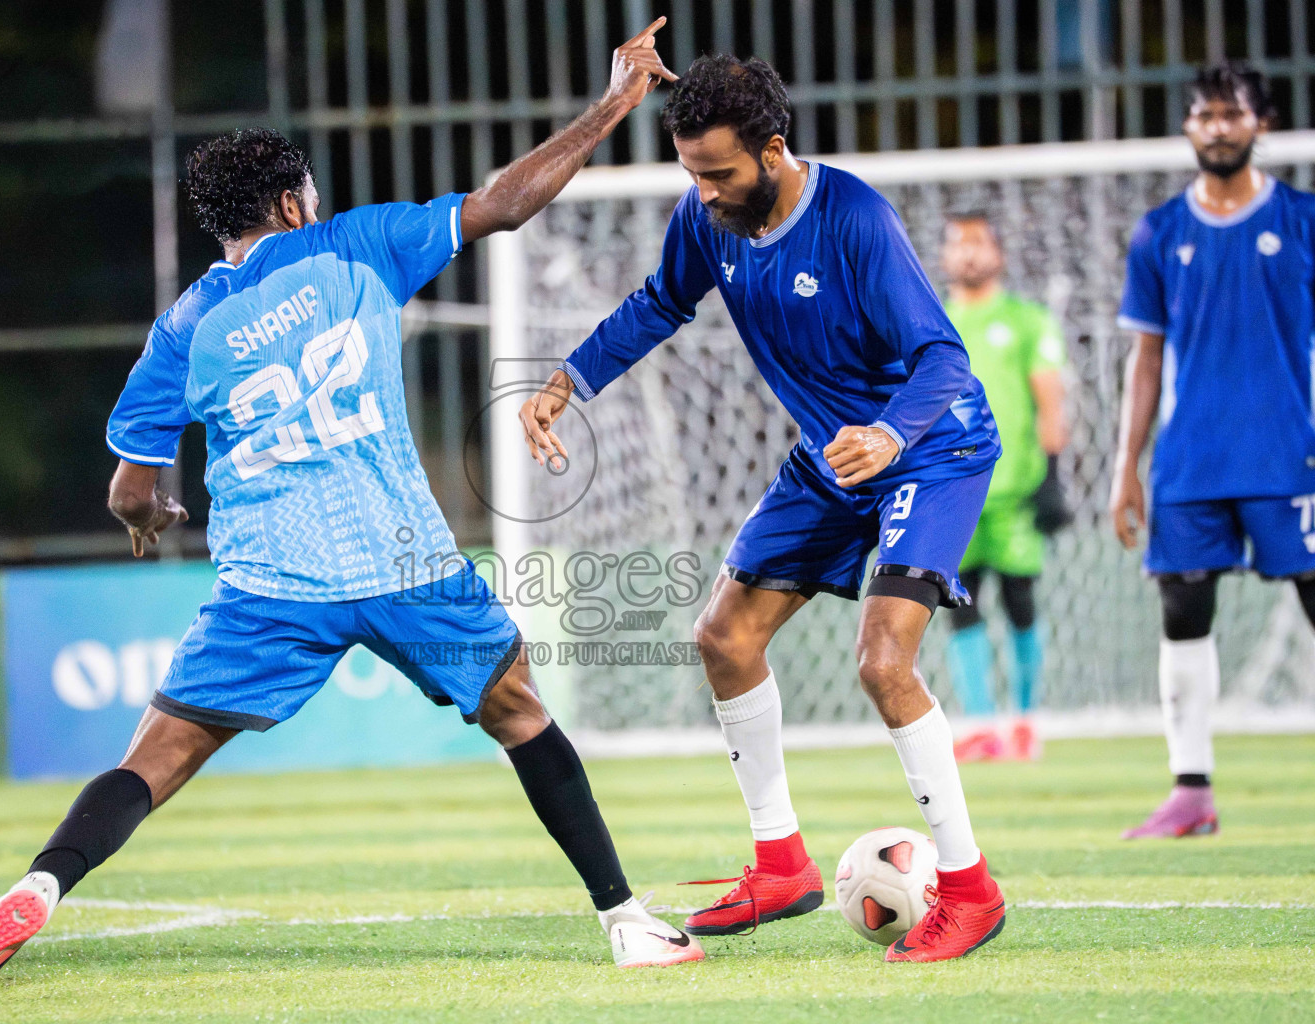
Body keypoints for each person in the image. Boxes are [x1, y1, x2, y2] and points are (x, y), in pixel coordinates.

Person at [0, 21, 701, 1006]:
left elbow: (130, 489)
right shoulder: (356, 245)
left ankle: (36, 887)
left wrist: (151, 517)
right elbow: (504, 203)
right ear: (292, 203)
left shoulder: (182, 329)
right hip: (403, 559)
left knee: (153, 759)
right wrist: (614, 104)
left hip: (269, 580)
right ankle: (626, 922)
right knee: (521, 715)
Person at [520, 54, 1006, 963]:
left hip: (929, 449)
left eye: (717, 173)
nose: (702, 193)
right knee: (724, 637)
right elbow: (660, 302)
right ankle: (781, 864)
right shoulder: (706, 219)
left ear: (773, 151)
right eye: (691, 173)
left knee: (883, 661)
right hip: (831, 459)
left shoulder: (855, 218)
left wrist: (890, 436)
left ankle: (971, 890)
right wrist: (568, 380)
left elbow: (944, 357)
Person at [1111, 62, 1315, 839]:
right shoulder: (1160, 232)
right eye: (1206, 114)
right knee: (1183, 608)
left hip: (1288, 454)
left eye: (1234, 114)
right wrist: (1127, 468)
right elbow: (1146, 359)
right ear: (1188, 127)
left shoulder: (1302, 219)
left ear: (1262, 124)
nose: (1219, 127)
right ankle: (1191, 791)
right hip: (1189, 463)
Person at [939, 213, 1070, 762]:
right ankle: (979, 725)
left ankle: (1024, 721)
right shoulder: (933, 322)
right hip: (949, 492)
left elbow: (1050, 399)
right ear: (944, 256)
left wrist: (1054, 476)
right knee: (956, 602)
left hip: (1015, 490)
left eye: (979, 243)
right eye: (958, 244)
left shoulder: (1027, 320)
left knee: (1020, 600)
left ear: (999, 253)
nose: (969, 254)